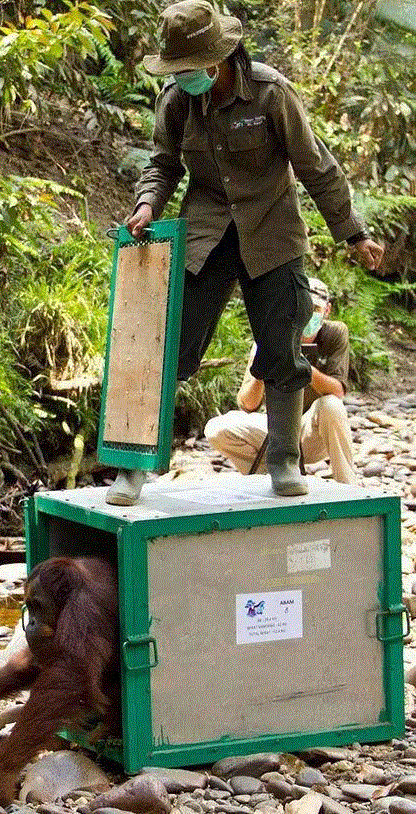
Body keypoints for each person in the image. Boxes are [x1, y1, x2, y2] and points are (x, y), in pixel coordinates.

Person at [106, 0, 384, 506]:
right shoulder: (176, 101)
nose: (186, 79)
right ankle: (133, 468)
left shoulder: (271, 93)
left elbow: (316, 165)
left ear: (220, 58)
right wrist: (147, 205)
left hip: (272, 231)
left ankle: (283, 460)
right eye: (178, 71)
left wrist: (354, 233)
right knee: (169, 349)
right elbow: (163, 164)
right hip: (206, 234)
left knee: (282, 347)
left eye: (193, 70)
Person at [205, 277, 356, 484]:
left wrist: (302, 365)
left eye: (316, 309)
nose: (308, 315)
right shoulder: (271, 336)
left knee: (332, 405)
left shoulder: (335, 334)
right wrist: (264, 365)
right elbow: (247, 405)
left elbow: (338, 391)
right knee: (217, 429)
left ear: (327, 310)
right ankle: (270, 478)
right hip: (276, 429)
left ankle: (348, 489)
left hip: (313, 430)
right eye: (304, 308)